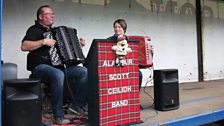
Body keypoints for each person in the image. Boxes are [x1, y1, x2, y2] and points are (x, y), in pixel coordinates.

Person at [21, 5, 88, 125]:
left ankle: (76, 106)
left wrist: (78, 45)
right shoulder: (34, 30)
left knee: (84, 71)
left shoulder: (56, 32)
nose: (52, 15)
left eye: (53, 14)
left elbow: (65, 50)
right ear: (41, 16)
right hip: (40, 67)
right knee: (58, 75)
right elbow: (24, 46)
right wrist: (43, 41)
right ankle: (58, 115)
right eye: (49, 14)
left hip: (59, 68)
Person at [107, 19, 143, 93]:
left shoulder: (131, 41)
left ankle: (135, 97)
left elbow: (138, 57)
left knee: (139, 74)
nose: (117, 29)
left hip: (128, 65)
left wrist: (151, 53)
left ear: (124, 28)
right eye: (115, 27)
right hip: (113, 65)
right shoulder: (108, 40)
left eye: (119, 27)